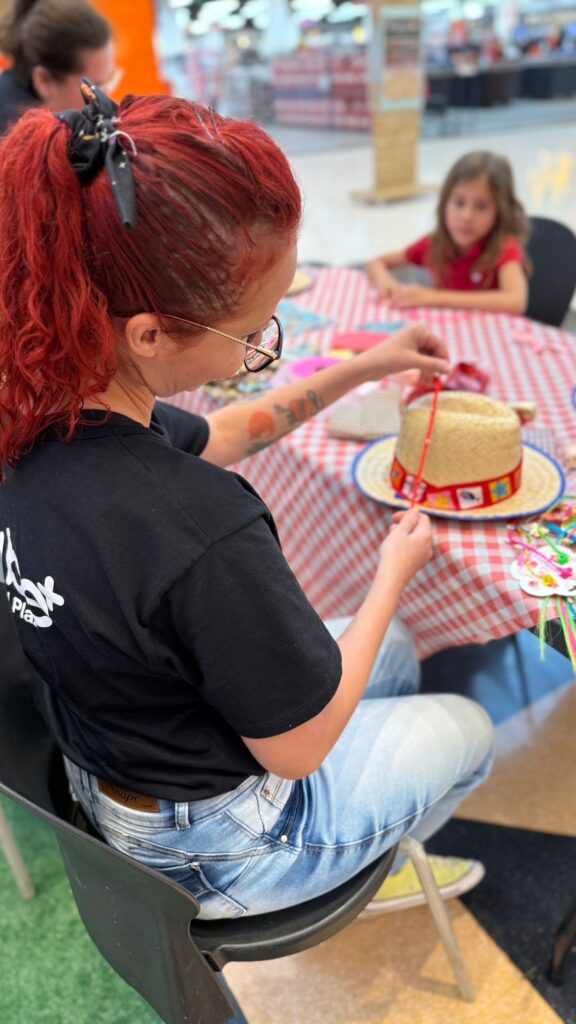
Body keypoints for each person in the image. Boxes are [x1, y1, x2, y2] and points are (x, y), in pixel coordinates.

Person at [0, 85, 494, 918]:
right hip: (219, 846)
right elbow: (299, 752)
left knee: (400, 649)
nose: (265, 345)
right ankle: (349, 864)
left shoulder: (43, 412)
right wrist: (392, 569)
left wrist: (367, 366)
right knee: (471, 726)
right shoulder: (201, 527)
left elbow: (226, 432)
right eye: (254, 333)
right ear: (150, 333)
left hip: (113, 768)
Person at [367, 151, 529, 315]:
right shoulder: (435, 244)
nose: (467, 216)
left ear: (500, 211)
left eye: (481, 206)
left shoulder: (504, 247)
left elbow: (515, 302)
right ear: (444, 203)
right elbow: (377, 263)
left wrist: (432, 297)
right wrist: (385, 282)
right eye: (459, 203)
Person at [0, 0, 114, 135]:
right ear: (44, 81)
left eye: (108, 83)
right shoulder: (18, 140)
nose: (106, 102)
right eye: (94, 89)